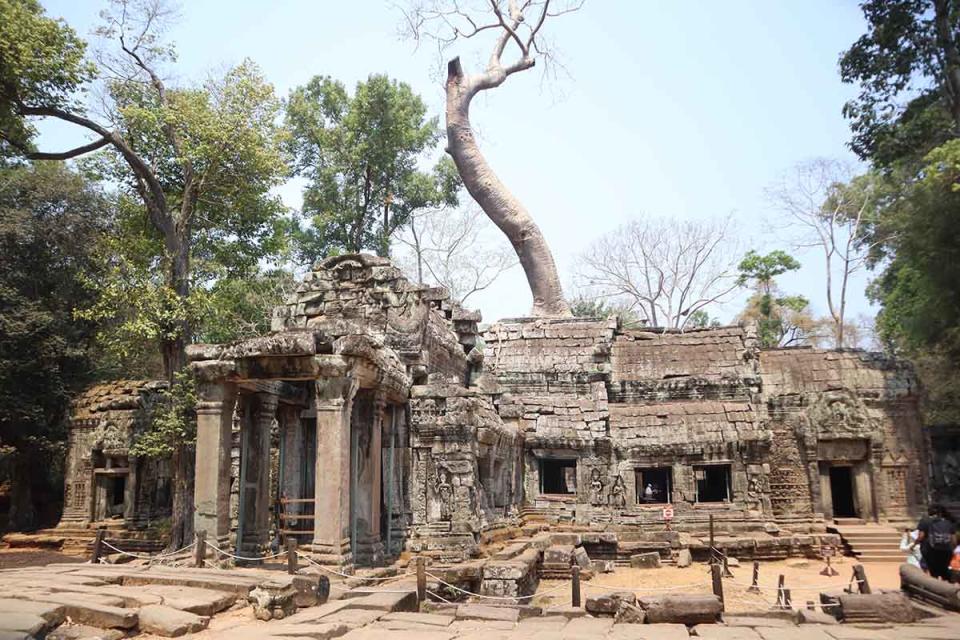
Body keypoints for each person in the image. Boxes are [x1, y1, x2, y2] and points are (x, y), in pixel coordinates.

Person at [917, 505, 957, 581]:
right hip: (946, 550)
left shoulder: (925, 521)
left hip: (931, 550)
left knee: (933, 571)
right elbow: (954, 541)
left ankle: (935, 588)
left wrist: (914, 544)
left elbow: (921, 536)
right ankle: (947, 588)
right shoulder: (948, 522)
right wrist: (952, 549)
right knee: (944, 570)